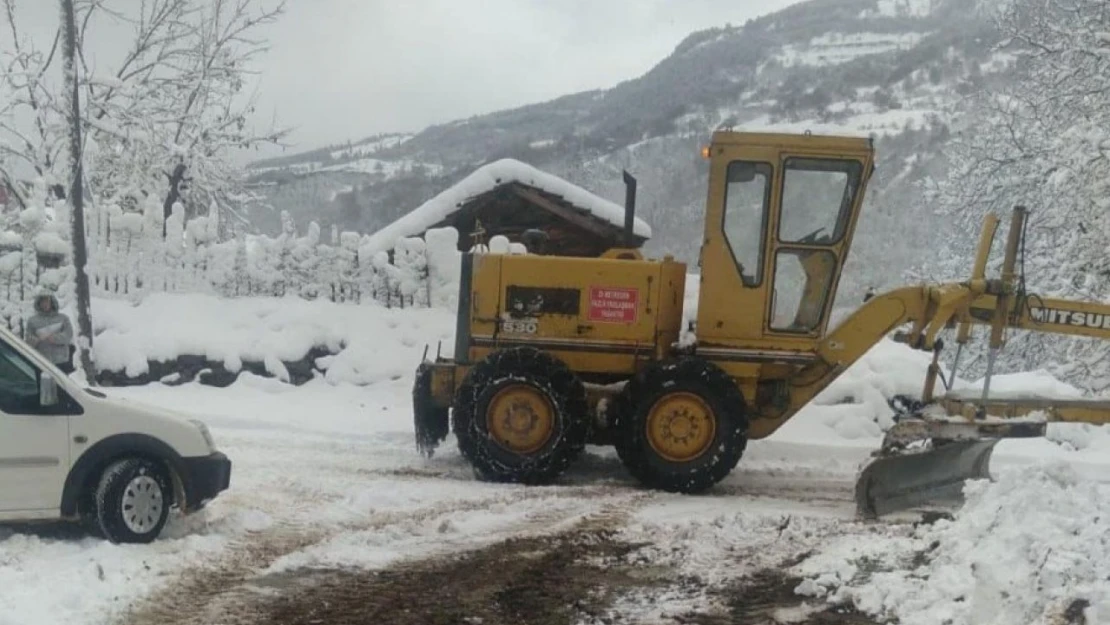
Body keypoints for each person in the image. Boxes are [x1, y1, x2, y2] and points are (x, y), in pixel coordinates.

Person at [25, 292, 74, 374]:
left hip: (61, 361)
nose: (45, 304)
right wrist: (37, 340)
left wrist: (54, 338)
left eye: (47, 301)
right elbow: (28, 340)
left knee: (61, 386)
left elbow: (69, 335)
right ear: (38, 303)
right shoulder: (32, 321)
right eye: (42, 302)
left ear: (52, 302)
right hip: (42, 362)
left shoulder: (63, 318)